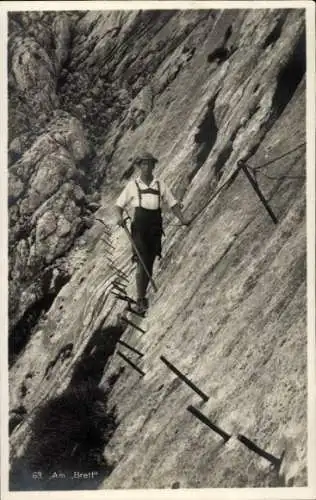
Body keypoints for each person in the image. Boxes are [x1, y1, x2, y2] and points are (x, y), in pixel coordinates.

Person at [114, 151, 189, 313]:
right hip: (139, 228)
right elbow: (119, 205)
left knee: (149, 262)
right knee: (141, 262)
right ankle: (140, 299)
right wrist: (119, 218)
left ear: (153, 166)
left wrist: (183, 220)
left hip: (154, 228)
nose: (146, 167)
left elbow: (172, 203)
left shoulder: (160, 185)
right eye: (143, 164)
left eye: (149, 164)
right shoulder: (132, 186)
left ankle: (143, 296)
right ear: (139, 166)